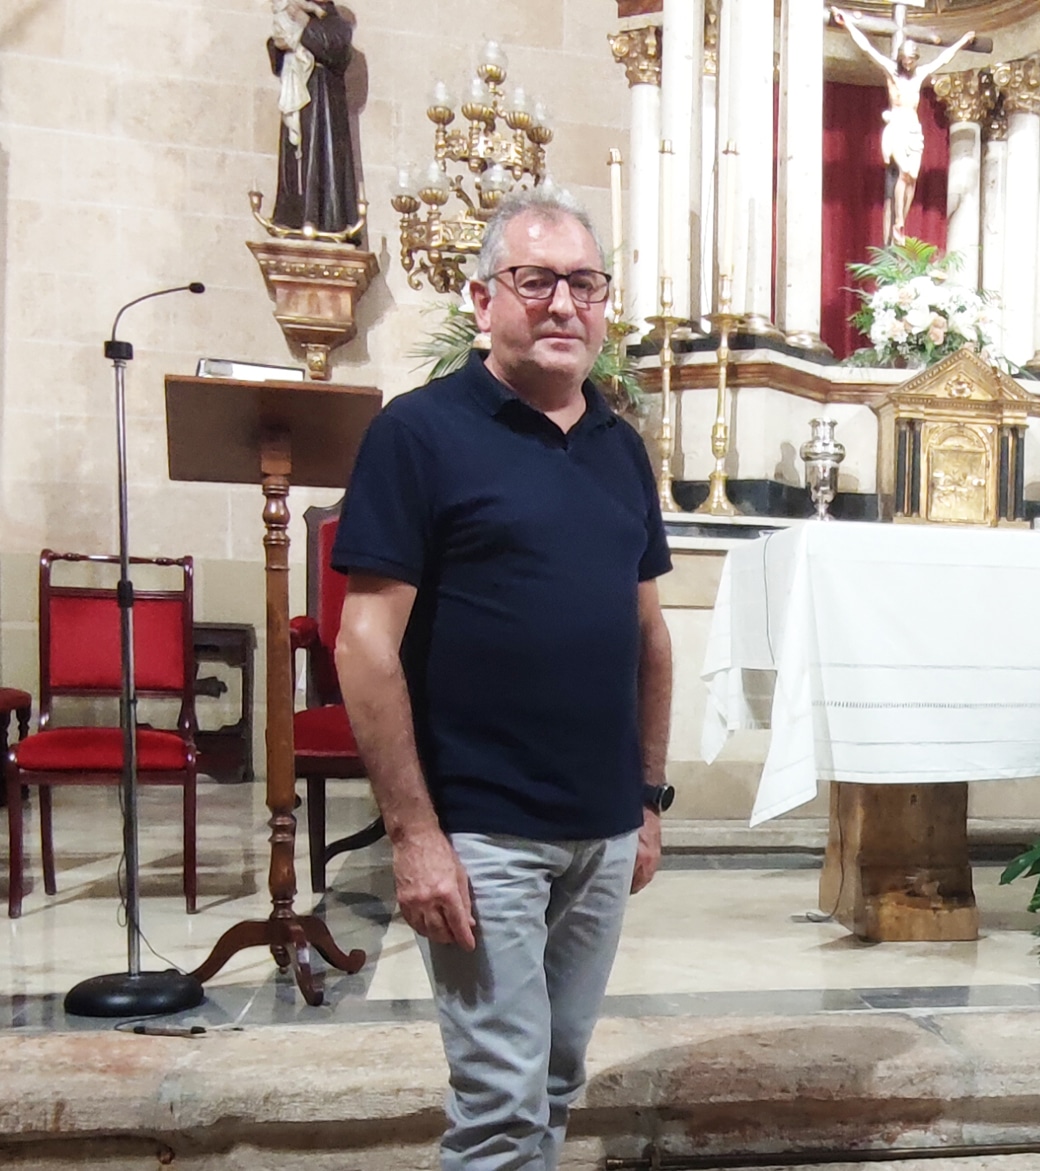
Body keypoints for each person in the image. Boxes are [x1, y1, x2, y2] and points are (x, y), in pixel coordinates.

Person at [332, 185, 674, 1171]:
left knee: (558, 1077)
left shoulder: (620, 447)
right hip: (482, 828)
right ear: (485, 299)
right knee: (499, 1101)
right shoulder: (421, 432)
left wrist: (647, 803)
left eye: (585, 283)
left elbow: (649, 638)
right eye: (537, 281)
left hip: (603, 828)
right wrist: (415, 837)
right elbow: (365, 643)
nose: (564, 304)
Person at [831, 8, 974, 246]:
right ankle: (897, 222)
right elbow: (867, 49)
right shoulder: (891, 72)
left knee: (912, 178)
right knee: (904, 172)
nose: (908, 62)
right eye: (906, 58)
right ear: (900, 56)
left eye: (912, 59)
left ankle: (902, 221)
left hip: (913, 128)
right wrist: (847, 25)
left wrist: (962, 41)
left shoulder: (919, 76)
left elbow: (943, 58)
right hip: (897, 124)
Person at [267, 0, 360, 236]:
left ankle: (326, 219)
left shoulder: (339, 26)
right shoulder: (291, 9)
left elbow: (334, 48)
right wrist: (279, 44)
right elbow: (277, 51)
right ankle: (292, 214)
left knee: (321, 155)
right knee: (296, 155)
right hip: (297, 92)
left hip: (324, 103)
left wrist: (304, 21)